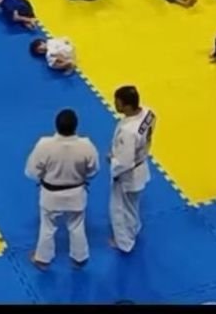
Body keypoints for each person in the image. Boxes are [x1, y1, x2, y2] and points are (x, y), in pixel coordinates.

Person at [25, 108, 99, 269]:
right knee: (77, 225)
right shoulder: (86, 145)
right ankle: (79, 258)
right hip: (76, 194)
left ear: (56, 126)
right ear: (76, 126)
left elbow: (31, 171)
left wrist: (43, 176)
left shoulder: (44, 145)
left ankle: (43, 260)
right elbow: (93, 171)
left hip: (50, 194)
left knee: (48, 227)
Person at [109, 86, 155, 254]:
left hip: (129, 174)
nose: (115, 105)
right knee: (132, 205)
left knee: (119, 209)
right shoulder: (149, 113)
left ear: (127, 106)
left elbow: (125, 162)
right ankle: (134, 228)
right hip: (142, 164)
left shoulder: (129, 132)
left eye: (118, 103)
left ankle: (124, 243)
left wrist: (113, 161)